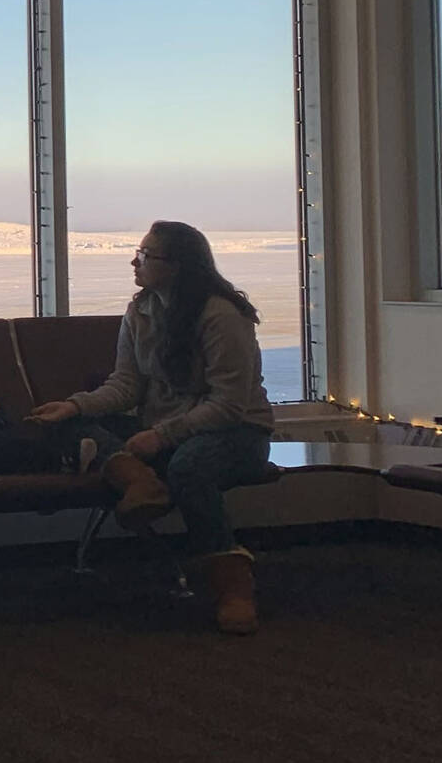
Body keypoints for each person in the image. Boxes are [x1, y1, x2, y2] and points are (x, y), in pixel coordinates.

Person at [26, 219, 275, 635]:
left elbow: (228, 405)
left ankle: (232, 585)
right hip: (160, 431)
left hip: (236, 434)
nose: (134, 262)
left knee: (189, 467)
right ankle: (138, 480)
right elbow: (125, 386)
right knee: (70, 425)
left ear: (177, 265)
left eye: (144, 255)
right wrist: (73, 406)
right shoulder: (140, 311)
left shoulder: (221, 316)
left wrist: (162, 435)